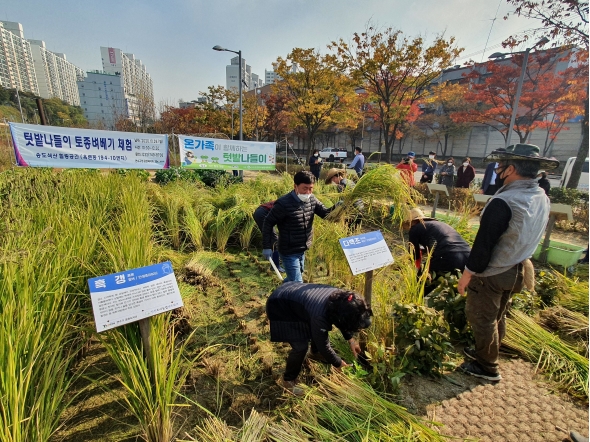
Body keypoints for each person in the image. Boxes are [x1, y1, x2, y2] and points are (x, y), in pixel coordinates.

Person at [457, 144, 559, 382]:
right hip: (519, 269)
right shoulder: (541, 196)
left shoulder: (505, 200)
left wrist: (468, 274)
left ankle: (487, 367)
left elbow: (484, 244)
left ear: (511, 169)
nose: (498, 171)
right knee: (498, 315)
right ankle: (490, 351)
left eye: (500, 167)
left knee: (482, 317)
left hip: (495, 272)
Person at [266, 282, 372, 395]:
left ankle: (315, 353)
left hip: (293, 296)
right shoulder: (320, 315)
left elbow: (341, 318)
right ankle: (288, 380)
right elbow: (323, 344)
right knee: (300, 347)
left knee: (317, 330)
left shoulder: (342, 300)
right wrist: (338, 364)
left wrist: (351, 340)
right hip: (280, 306)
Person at [262, 171, 333, 283]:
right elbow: (268, 222)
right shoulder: (283, 204)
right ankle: (288, 297)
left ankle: (282, 293)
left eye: (311, 188)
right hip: (288, 250)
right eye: (305, 188)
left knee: (293, 277)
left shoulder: (312, 199)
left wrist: (339, 208)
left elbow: (326, 214)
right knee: (297, 283)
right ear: (295, 186)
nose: (308, 192)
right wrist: (267, 246)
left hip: (302, 249)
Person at [403, 208, 471, 274]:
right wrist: (424, 251)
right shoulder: (436, 224)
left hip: (448, 255)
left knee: (422, 277)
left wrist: (402, 265)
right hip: (468, 256)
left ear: (412, 222)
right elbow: (438, 243)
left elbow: (414, 254)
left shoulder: (415, 228)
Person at [253, 201, 281, 271]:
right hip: (263, 213)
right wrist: (266, 247)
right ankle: (275, 266)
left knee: (275, 238)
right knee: (274, 239)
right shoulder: (288, 206)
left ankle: (277, 259)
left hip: (262, 211)